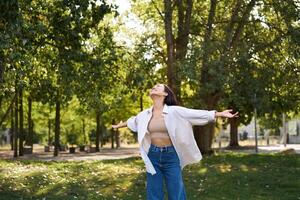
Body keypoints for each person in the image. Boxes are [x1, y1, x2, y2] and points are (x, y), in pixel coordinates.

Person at [112, 83, 238, 200]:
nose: (154, 87)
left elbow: (195, 114)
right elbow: (132, 121)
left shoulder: (174, 111)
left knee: (176, 192)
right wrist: (118, 126)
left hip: (171, 156)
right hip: (153, 156)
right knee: (153, 193)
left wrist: (219, 113)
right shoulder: (144, 114)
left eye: (158, 86)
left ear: (165, 94)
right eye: (154, 86)